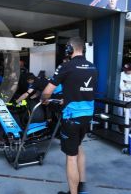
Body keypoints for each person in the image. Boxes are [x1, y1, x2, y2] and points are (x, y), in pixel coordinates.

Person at [41, 37, 98, 194]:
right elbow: (83, 90)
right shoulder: (93, 67)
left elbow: (47, 92)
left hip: (72, 117)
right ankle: (82, 185)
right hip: (88, 116)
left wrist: (44, 101)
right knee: (79, 147)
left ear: (70, 49)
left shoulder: (66, 66)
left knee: (71, 157)